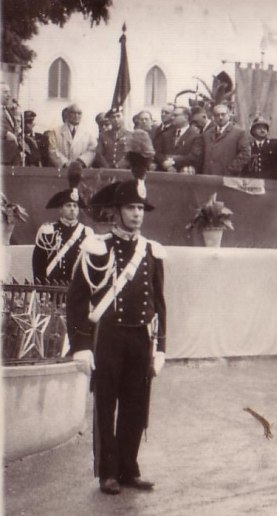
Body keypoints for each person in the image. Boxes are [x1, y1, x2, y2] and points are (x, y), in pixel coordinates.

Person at [66, 131, 166, 495]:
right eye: (131, 209)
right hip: (108, 337)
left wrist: (162, 347)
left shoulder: (152, 251)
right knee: (106, 405)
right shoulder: (96, 246)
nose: (137, 215)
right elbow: (77, 299)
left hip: (140, 337)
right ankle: (107, 471)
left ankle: (128, 468)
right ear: (117, 212)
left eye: (140, 209)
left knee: (136, 406)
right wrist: (81, 344)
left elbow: (160, 301)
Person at [32, 162, 94, 284]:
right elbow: (38, 265)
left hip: (75, 291)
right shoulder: (48, 232)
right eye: (68, 205)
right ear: (60, 209)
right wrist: (42, 290)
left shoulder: (87, 233)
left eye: (75, 206)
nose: (72, 209)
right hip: (51, 291)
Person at [201, 104, 251, 176]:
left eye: (223, 114)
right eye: (217, 115)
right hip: (208, 175)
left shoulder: (239, 132)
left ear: (229, 115)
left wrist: (231, 169)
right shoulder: (207, 134)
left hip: (227, 176)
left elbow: (245, 154)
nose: (220, 117)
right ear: (213, 117)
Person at [47, 103, 97, 168]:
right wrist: (65, 163)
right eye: (73, 113)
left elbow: (92, 150)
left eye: (79, 113)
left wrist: (81, 162)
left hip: (82, 169)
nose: (76, 116)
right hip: (62, 169)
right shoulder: (56, 132)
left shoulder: (89, 132)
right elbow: (52, 150)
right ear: (68, 114)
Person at [155, 106, 202, 173]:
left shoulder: (196, 135)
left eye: (175, 115)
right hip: (165, 173)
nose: (172, 117)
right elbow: (158, 153)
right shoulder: (166, 134)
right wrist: (164, 163)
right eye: (172, 115)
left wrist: (173, 161)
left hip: (184, 174)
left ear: (186, 117)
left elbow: (194, 157)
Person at [242, 116, 277, 180]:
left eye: (264, 128)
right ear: (253, 131)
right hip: (252, 182)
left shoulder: (275, 144)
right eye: (259, 128)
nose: (262, 130)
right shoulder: (247, 146)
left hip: (271, 182)